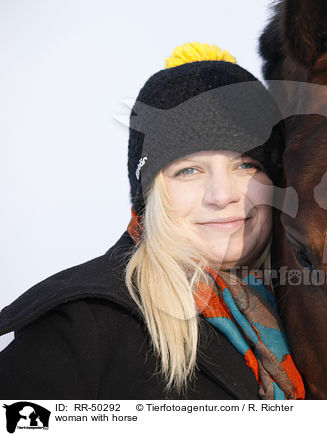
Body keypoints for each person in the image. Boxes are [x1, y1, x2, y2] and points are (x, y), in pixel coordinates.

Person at [0, 42, 304, 400]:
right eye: (188, 170)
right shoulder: (83, 327)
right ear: (150, 196)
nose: (222, 195)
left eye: (246, 166)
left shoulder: (315, 316)